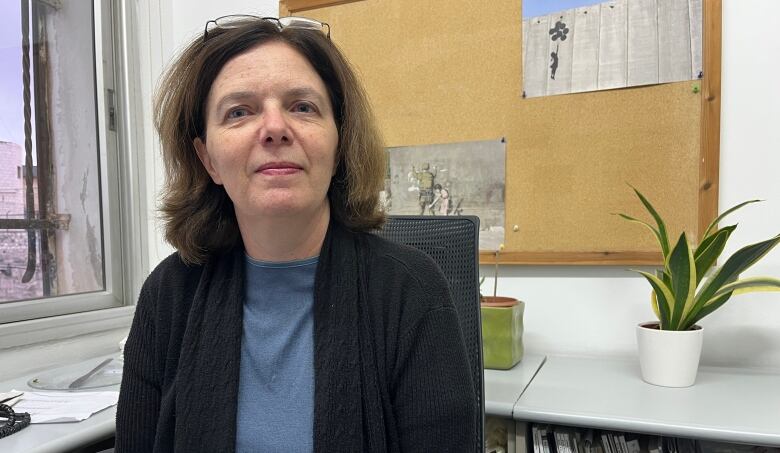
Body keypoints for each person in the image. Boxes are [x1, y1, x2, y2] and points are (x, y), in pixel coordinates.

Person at [115, 15, 477, 453]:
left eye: (302, 106)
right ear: (207, 158)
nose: (274, 128)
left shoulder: (410, 289)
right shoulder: (169, 294)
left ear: (339, 142)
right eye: (239, 111)